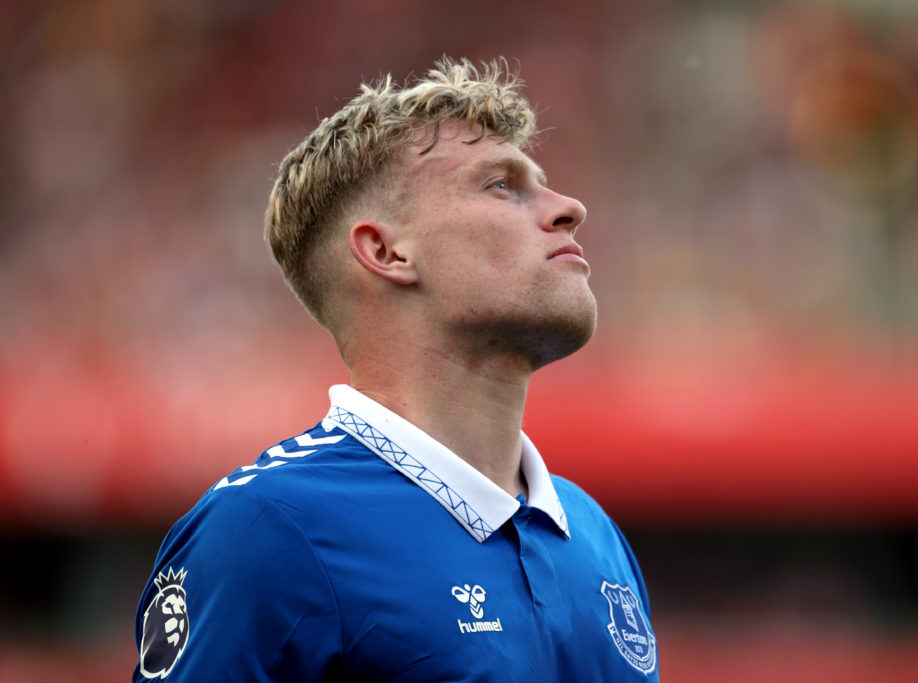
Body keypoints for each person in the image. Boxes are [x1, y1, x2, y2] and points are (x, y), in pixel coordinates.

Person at [133, 57, 658, 682]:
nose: (569, 206)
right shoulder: (267, 532)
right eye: (501, 185)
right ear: (386, 251)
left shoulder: (594, 534)